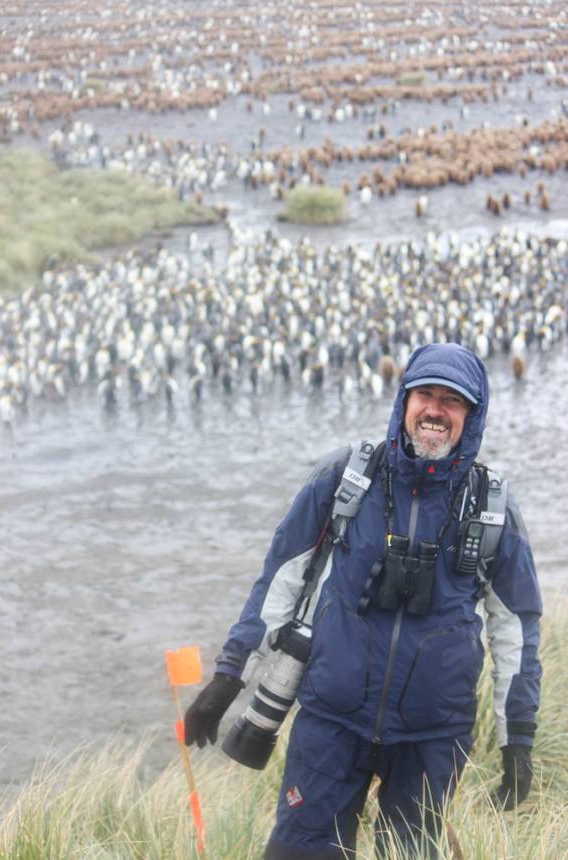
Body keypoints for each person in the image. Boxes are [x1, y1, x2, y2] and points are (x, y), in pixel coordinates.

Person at [185, 342, 542, 859]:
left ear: (472, 414)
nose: (436, 410)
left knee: (412, 852)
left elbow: (517, 629)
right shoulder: (346, 478)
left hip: (432, 734)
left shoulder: (491, 509)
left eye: (453, 400)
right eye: (425, 395)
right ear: (404, 402)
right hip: (332, 720)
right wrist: (228, 676)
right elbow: (279, 580)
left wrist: (519, 740)